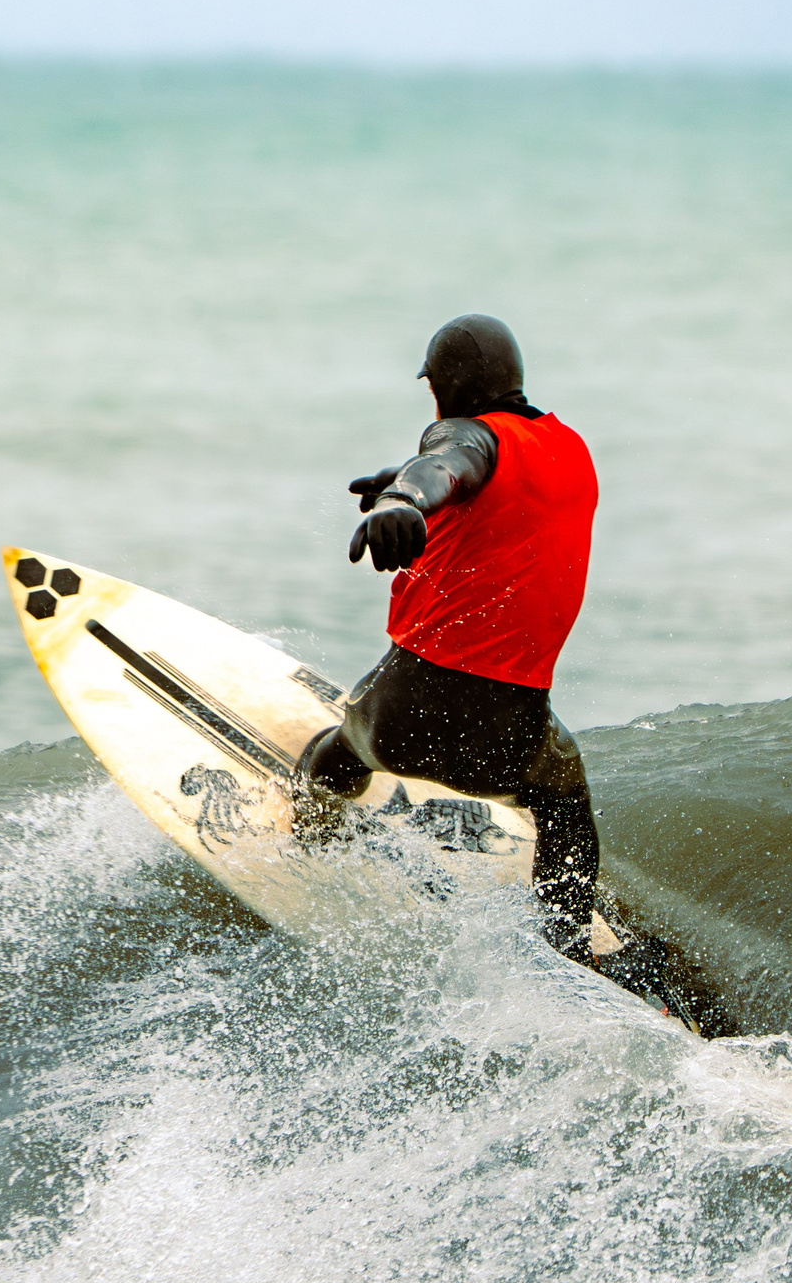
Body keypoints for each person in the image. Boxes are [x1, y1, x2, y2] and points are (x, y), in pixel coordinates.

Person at [299, 315, 719, 1028]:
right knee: (563, 799)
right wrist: (405, 483)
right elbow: (472, 480)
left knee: (339, 745)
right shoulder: (571, 449)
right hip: (511, 733)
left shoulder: (462, 437)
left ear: (445, 389)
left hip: (407, 717)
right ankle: (565, 948)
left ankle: (309, 830)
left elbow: (449, 459)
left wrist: (406, 497)